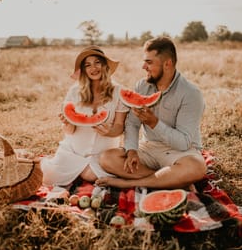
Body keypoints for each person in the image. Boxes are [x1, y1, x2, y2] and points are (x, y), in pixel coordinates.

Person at [96, 37, 207, 190]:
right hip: (149, 148)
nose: (143, 67)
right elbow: (132, 124)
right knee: (107, 158)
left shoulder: (191, 93)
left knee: (196, 168)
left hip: (181, 153)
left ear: (167, 64)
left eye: (149, 62)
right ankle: (171, 180)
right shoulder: (142, 85)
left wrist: (154, 123)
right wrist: (132, 151)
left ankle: (128, 183)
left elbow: (183, 143)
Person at [41, 46, 129, 187]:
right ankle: (75, 170)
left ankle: (82, 173)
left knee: (91, 175)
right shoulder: (75, 91)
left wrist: (110, 132)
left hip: (102, 155)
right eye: (88, 65)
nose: (93, 68)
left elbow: (119, 126)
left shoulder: (119, 91)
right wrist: (67, 123)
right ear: (84, 70)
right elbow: (69, 131)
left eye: (97, 62)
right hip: (73, 152)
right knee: (48, 177)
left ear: (105, 65)